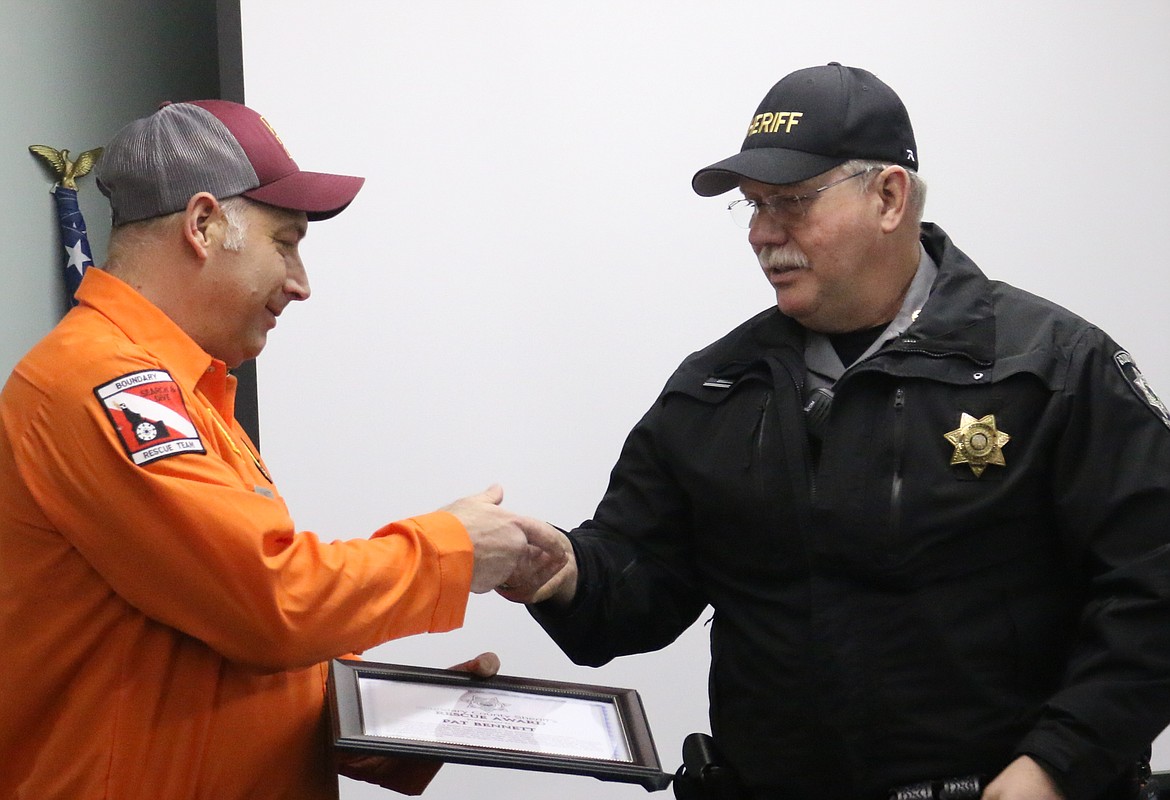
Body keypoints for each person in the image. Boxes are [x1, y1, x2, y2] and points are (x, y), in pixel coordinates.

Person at [498, 64, 1170, 800]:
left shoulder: (1050, 370)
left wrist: (1057, 764)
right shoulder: (715, 389)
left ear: (888, 197)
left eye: (789, 202)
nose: (761, 234)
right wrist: (564, 574)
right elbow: (639, 588)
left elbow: (1153, 589)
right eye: (753, 207)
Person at [0, 99, 565, 799]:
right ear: (203, 225)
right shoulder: (102, 382)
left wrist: (379, 722)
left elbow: (218, 638)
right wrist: (455, 551)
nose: (300, 284)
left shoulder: (184, 391)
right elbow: (270, 603)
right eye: (285, 242)